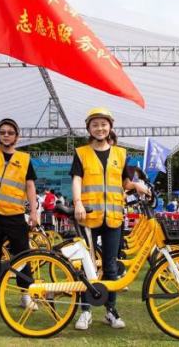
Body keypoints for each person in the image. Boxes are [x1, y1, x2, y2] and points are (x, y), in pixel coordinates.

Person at [71, 107, 149, 330]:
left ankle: (111, 311)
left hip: (114, 216)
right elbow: (77, 179)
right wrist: (77, 203)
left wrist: (136, 185)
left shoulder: (121, 154)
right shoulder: (81, 152)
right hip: (89, 214)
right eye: (95, 124)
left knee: (111, 266)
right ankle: (85, 310)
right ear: (89, 128)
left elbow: (124, 183)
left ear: (110, 127)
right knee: (86, 266)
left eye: (103, 124)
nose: (100, 128)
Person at [0, 85, 39, 311]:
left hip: (14, 214)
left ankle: (26, 294)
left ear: (17, 137)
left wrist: (33, 212)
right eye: (2, 132)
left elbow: (30, 185)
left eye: (10, 133)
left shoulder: (24, 158)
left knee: (23, 254)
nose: (6, 135)